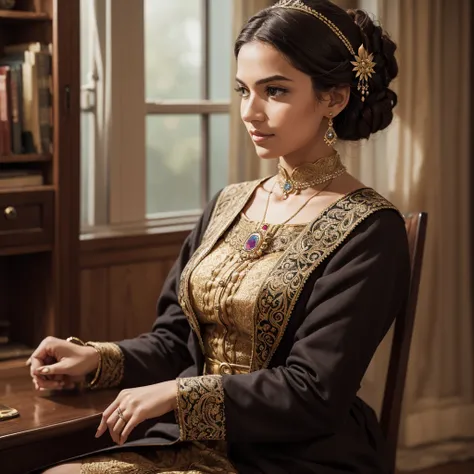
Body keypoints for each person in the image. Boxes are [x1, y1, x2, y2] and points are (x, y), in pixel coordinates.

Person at [30, 1, 410, 473]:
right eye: (242, 90)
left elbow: (314, 391)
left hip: (291, 455)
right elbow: (176, 343)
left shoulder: (370, 228)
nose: (250, 111)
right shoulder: (230, 203)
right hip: (184, 439)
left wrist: (179, 393)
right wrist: (95, 358)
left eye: (274, 91)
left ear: (334, 97)